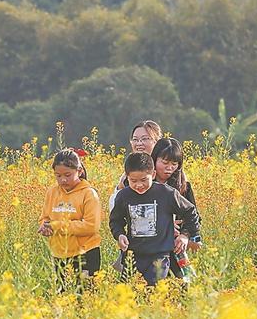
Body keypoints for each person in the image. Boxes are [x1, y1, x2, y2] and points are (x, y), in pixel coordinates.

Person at [109, 152, 201, 287]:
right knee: (128, 293)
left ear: (153, 174)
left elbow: (191, 212)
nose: (139, 185)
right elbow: (115, 221)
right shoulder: (123, 196)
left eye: (144, 180)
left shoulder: (167, 193)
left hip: (159, 256)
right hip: (132, 256)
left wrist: (185, 235)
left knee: (153, 291)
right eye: (133, 181)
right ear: (127, 177)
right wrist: (120, 235)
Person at [38, 148, 102, 292]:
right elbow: (45, 217)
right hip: (59, 253)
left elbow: (91, 226)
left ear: (79, 171)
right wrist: (45, 226)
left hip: (85, 254)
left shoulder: (89, 194)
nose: (63, 180)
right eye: (58, 175)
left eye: (68, 175)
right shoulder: (52, 192)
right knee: (62, 297)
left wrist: (56, 226)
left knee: (85, 298)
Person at [151, 138, 202, 280]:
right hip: (150, 248)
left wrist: (185, 236)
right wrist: (164, 225)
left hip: (176, 247)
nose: (169, 168)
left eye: (174, 164)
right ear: (154, 159)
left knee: (183, 284)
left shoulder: (183, 186)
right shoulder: (143, 184)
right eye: (165, 162)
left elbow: (195, 217)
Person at [108, 120, 164, 212]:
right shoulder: (129, 171)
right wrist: (120, 188)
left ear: (156, 141)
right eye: (135, 140)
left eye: (144, 139)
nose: (139, 143)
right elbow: (114, 209)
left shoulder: (165, 169)